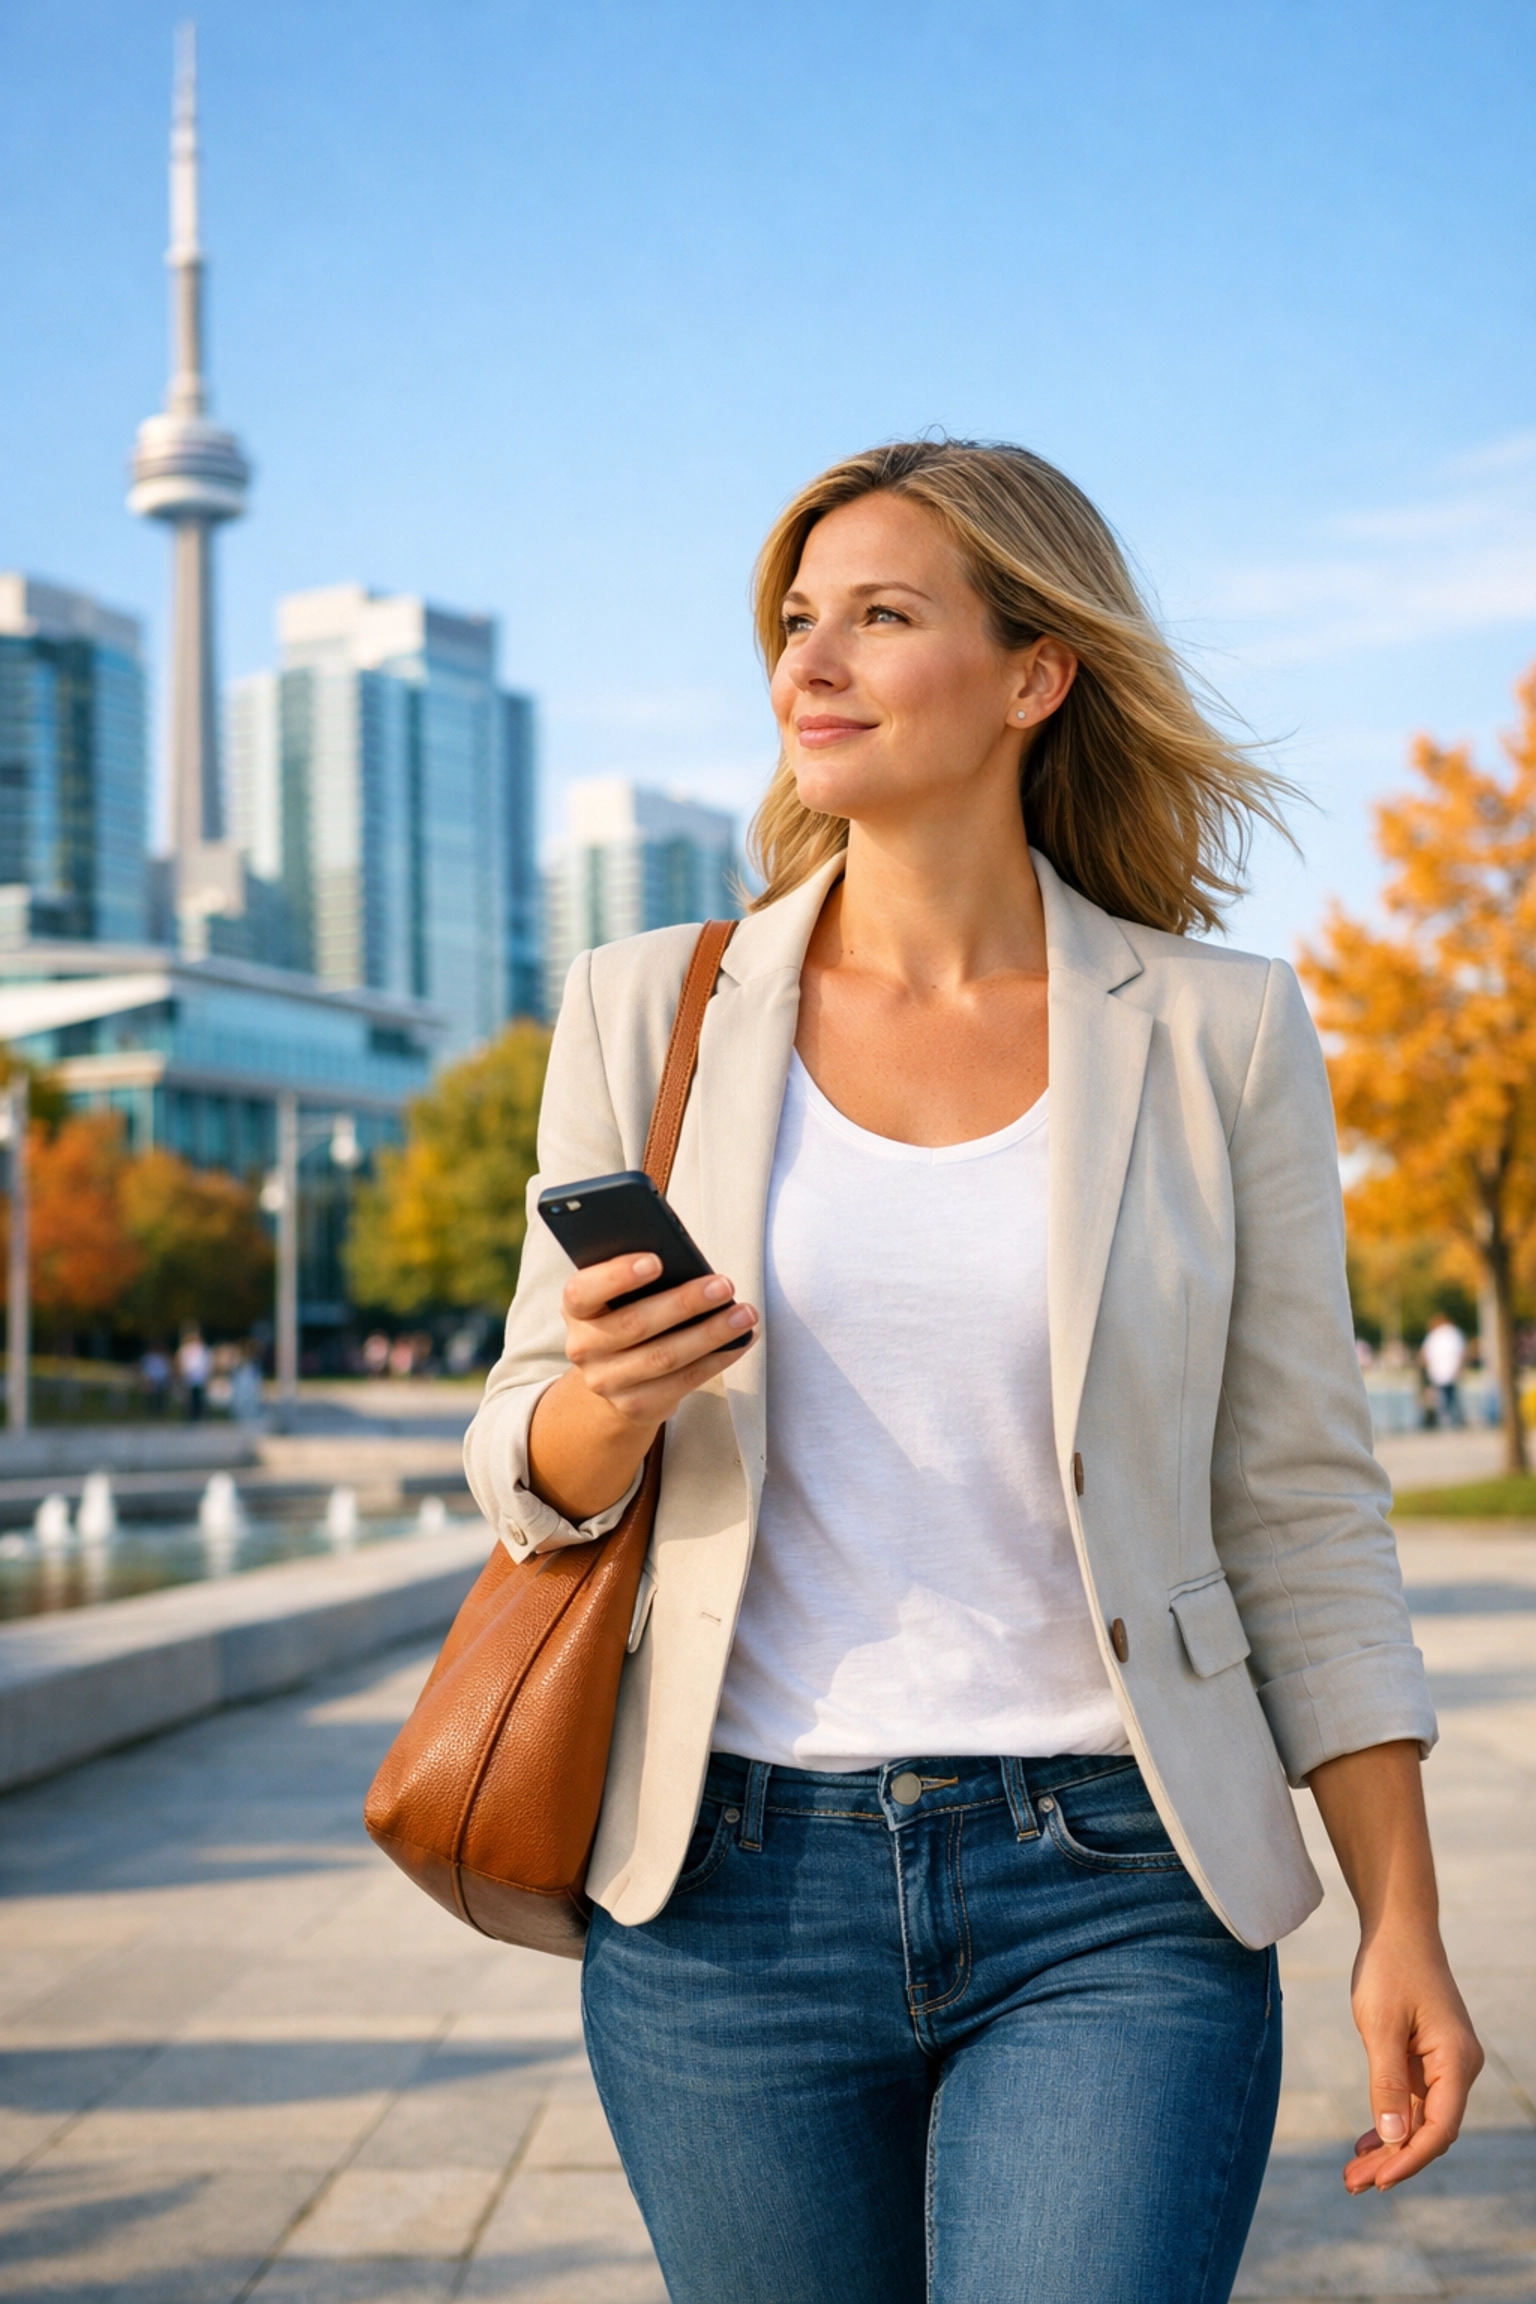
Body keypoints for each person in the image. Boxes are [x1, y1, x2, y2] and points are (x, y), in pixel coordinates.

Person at [465, 440, 1481, 2304]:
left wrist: (1398, 1911)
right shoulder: (651, 1004)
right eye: (794, 621)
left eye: (879, 615)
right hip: (727, 1892)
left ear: (1035, 672)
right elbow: (521, 1454)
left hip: (1114, 1882)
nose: (809, 664)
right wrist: (610, 1392)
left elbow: (1299, 1499)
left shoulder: (1215, 1032)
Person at [1420, 1315, 1466, 1428]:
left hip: (1437, 1371)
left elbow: (1425, 1353)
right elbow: (1461, 1353)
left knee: (1441, 1397)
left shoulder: (1434, 1335)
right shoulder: (1455, 1333)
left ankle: (1445, 1419)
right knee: (1451, 1396)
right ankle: (1453, 1419)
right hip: (1450, 1370)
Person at [176, 1327, 212, 1422]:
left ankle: (201, 1417)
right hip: (189, 1377)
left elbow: (207, 1363)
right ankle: (191, 1417)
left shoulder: (203, 1349)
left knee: (200, 1398)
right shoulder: (185, 1349)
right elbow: (182, 1362)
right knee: (190, 1399)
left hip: (200, 1377)